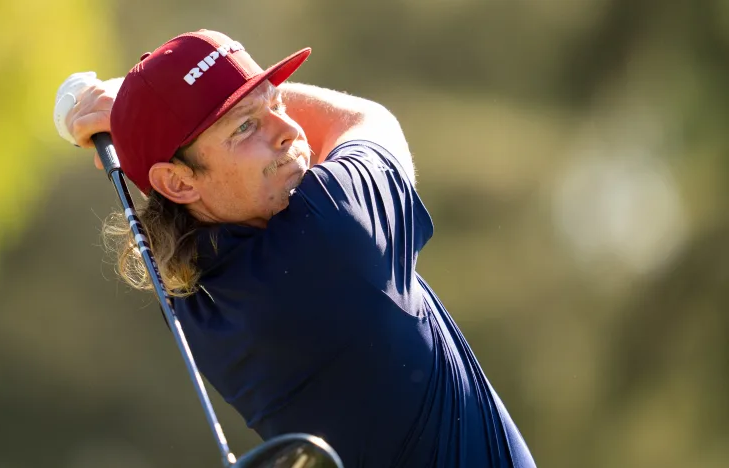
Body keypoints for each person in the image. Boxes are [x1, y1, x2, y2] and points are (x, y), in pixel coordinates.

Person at [56, 29, 536, 468]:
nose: (288, 129)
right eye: (244, 126)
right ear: (178, 182)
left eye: (277, 102)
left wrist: (140, 128)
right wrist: (129, 108)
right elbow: (368, 120)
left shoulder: (191, 300)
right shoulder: (334, 233)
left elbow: (193, 190)